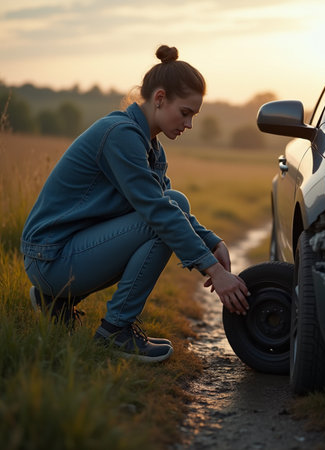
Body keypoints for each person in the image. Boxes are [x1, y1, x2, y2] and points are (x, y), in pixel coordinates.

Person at [21, 45, 250, 363]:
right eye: (185, 113)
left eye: (193, 116)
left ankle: (53, 302)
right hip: (51, 257)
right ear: (159, 99)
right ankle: (114, 330)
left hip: (63, 254)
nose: (189, 124)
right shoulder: (120, 135)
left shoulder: (150, 143)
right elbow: (156, 212)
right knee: (157, 223)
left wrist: (212, 241)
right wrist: (214, 270)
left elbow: (168, 203)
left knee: (174, 200)